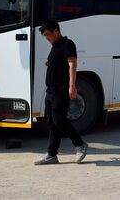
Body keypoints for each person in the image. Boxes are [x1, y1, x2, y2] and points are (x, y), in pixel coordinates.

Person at [34, 21, 89, 165]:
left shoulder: (67, 44)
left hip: (61, 90)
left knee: (60, 121)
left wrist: (72, 86)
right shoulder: (55, 46)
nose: (47, 38)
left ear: (56, 31)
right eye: (45, 36)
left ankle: (80, 145)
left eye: (48, 34)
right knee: (51, 123)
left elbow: (72, 64)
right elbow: (59, 63)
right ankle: (52, 155)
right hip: (50, 91)